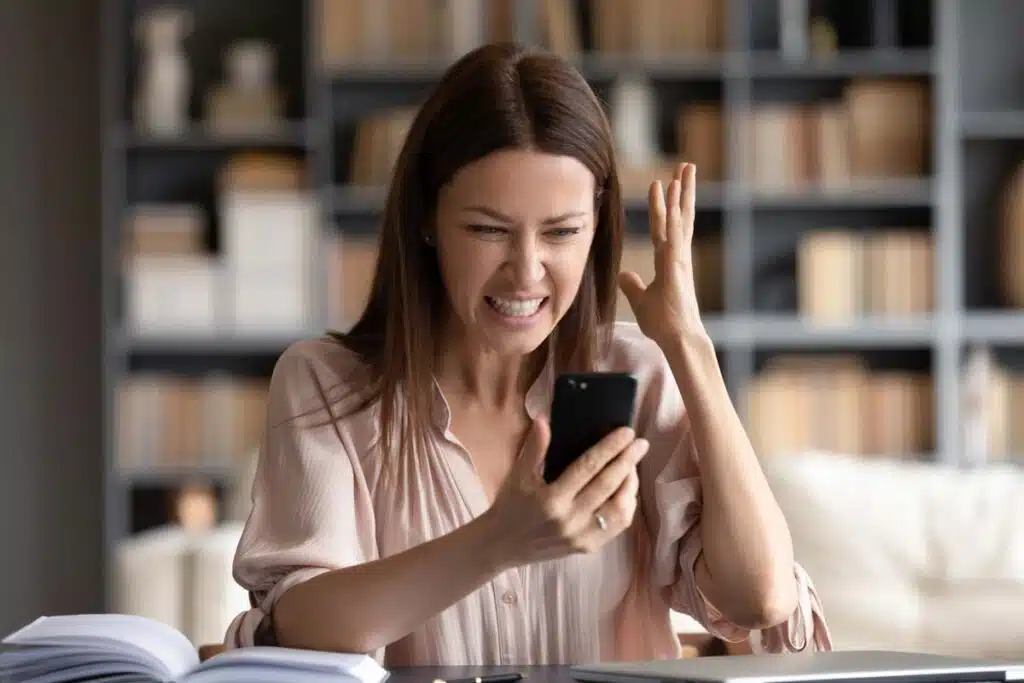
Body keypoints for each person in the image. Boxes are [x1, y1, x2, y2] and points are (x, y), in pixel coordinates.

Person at [223, 42, 831, 666]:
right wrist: (497, 541)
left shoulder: (634, 373)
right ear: (427, 221)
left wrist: (689, 346)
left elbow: (759, 599)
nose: (526, 273)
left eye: (562, 232)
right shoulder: (325, 383)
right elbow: (298, 625)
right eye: (488, 230)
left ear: (595, 229)